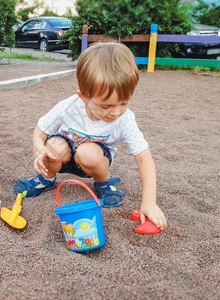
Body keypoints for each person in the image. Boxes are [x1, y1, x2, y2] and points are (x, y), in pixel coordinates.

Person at [13, 41, 167, 230]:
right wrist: (39, 148)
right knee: (53, 145)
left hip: (95, 159)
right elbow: (40, 131)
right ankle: (46, 179)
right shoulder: (67, 107)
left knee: (88, 152)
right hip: (65, 156)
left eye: (124, 103)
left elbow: (144, 158)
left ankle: (103, 184)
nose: (116, 112)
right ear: (83, 97)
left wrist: (149, 201)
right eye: (106, 106)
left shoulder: (125, 119)